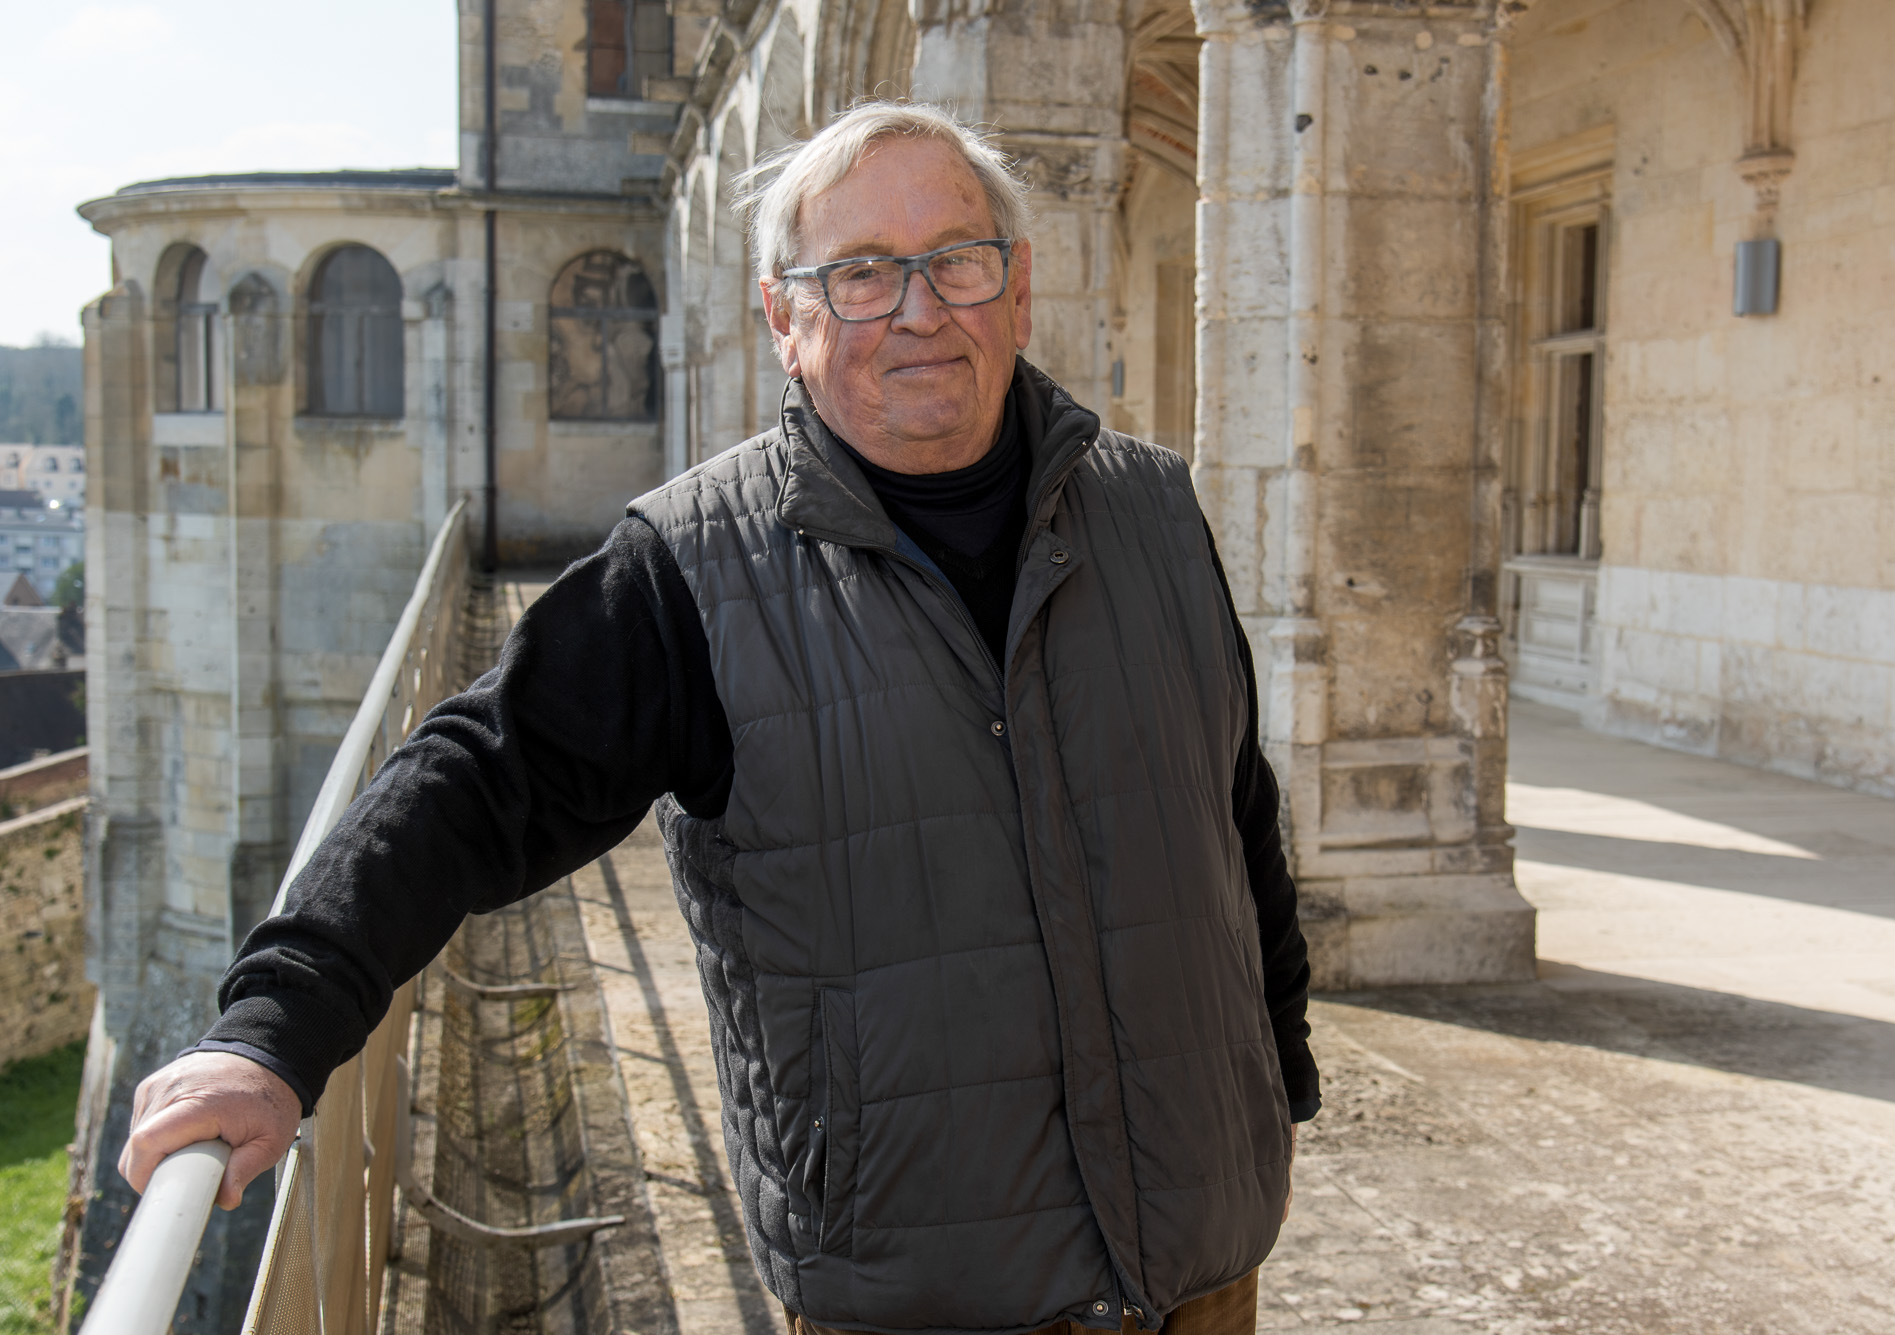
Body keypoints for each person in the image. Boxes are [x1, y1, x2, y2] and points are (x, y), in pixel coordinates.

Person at [121, 102, 1320, 1335]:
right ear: (783, 320)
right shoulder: (693, 567)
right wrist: (272, 1032)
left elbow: (1231, 814)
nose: (916, 310)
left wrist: (1270, 1074)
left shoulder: (1154, 512)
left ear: (1015, 292)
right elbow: (477, 780)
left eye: (956, 260)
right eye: (856, 274)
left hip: (1201, 1267)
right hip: (916, 1299)